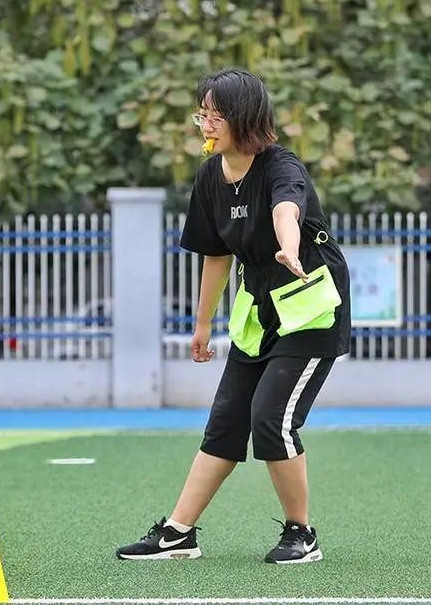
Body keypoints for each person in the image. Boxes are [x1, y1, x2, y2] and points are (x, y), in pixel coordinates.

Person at [116, 68, 350, 564]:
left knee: (271, 420)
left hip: (309, 310)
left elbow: (286, 211)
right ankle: (179, 533)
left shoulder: (281, 167)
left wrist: (290, 248)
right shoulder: (210, 176)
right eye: (203, 112)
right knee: (225, 422)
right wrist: (201, 325)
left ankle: (301, 533)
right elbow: (217, 254)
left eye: (215, 114)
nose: (205, 122)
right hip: (259, 310)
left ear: (243, 118)